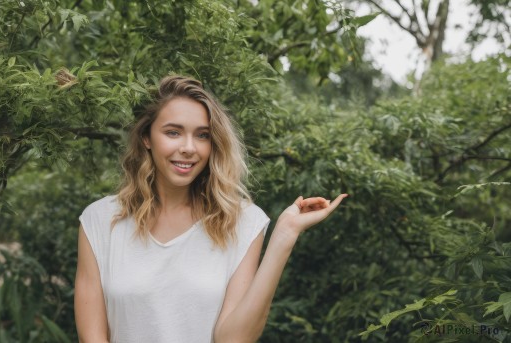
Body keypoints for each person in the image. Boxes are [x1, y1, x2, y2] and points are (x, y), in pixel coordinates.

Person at [74, 75, 347, 343]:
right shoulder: (99, 221)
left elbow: (234, 339)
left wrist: (284, 236)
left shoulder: (243, 222)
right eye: (173, 132)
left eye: (202, 135)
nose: (189, 148)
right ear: (147, 137)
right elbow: (92, 336)